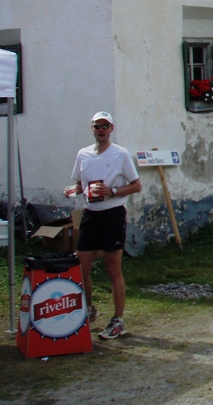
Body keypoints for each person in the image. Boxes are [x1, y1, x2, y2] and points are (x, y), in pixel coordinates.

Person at [66, 111, 142, 339]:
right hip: (91, 214)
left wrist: (113, 191)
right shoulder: (84, 154)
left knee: (112, 268)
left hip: (113, 215)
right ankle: (89, 310)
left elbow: (137, 185)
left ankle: (118, 321)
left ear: (112, 129)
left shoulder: (120, 154)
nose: (101, 130)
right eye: (97, 126)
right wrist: (73, 190)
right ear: (92, 128)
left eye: (105, 126)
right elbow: (80, 185)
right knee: (80, 268)